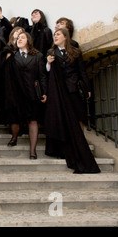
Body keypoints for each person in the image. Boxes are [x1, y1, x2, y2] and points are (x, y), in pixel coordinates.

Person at [44, 28, 100, 174]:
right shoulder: (51, 53)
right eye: (54, 35)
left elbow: (81, 71)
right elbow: (47, 72)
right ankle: (64, 148)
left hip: (73, 90)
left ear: (65, 37)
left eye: (58, 34)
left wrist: (87, 88)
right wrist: (49, 64)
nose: (55, 36)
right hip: (59, 93)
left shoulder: (75, 52)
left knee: (77, 118)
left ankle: (81, 144)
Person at [2, 32, 47, 159]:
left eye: (22, 37)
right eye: (18, 38)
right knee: (15, 119)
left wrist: (44, 92)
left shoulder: (38, 56)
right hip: (16, 94)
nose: (19, 39)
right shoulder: (12, 56)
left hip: (32, 93)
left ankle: (33, 151)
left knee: (33, 121)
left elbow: (42, 75)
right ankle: (14, 137)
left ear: (29, 40)